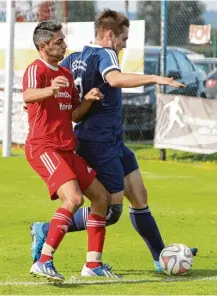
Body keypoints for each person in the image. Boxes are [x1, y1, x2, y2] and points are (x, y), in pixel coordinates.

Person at [30, 10, 197, 272]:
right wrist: (154, 78)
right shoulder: (105, 53)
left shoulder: (74, 58)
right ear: (109, 35)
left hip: (112, 140)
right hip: (99, 142)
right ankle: (46, 230)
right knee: (110, 209)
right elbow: (114, 79)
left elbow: (75, 105)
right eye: (124, 38)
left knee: (139, 195)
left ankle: (162, 257)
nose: (125, 44)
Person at [23, 20, 120, 283]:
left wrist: (87, 99)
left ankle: (93, 264)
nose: (65, 45)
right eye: (59, 42)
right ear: (43, 46)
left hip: (66, 149)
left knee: (102, 198)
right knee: (74, 199)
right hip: (44, 147)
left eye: (64, 40)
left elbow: (74, 114)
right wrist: (49, 90)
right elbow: (28, 95)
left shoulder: (65, 75)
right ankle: (44, 261)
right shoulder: (37, 69)